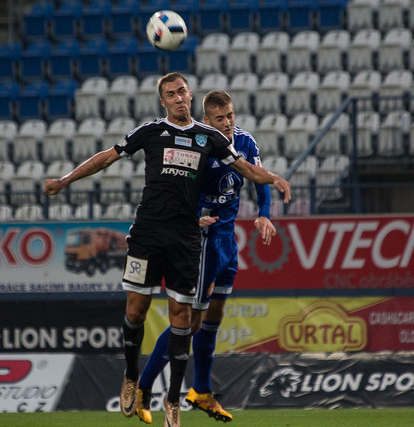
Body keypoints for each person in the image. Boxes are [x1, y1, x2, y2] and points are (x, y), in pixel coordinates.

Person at [44, 72, 290, 427]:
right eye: (170, 94)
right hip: (152, 233)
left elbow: (247, 170)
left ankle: (177, 400)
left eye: (182, 92)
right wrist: (65, 180)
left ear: (190, 95)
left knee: (192, 319)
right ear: (164, 101)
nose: (178, 98)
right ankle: (134, 377)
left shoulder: (210, 139)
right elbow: (107, 157)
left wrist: (273, 181)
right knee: (140, 311)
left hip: (190, 239)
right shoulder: (151, 131)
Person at [134, 90, 277, 424]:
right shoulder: (199, 144)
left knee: (214, 318)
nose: (227, 123)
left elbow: (260, 181)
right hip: (201, 242)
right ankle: (144, 384)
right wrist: (192, 216)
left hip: (228, 242)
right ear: (207, 120)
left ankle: (200, 391)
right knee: (190, 322)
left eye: (230, 116)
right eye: (220, 119)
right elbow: (176, 188)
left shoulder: (244, 141)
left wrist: (264, 213)